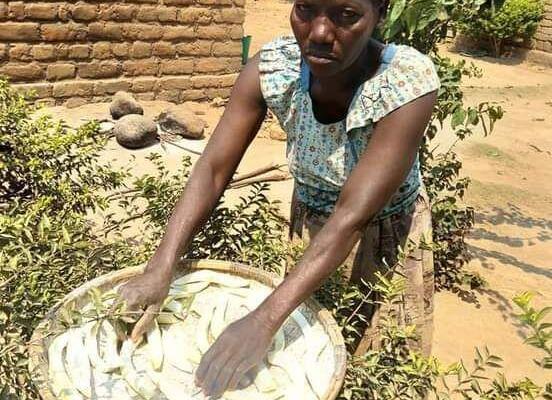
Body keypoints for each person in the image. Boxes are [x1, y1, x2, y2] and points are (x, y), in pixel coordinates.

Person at [118, 0, 440, 397]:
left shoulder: (404, 81)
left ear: (380, 14)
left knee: (383, 365)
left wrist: (263, 320)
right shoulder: (275, 68)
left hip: (384, 236)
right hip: (312, 228)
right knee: (303, 355)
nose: (319, 33)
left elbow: (352, 216)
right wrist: (161, 265)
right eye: (306, 9)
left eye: (346, 15)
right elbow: (214, 167)